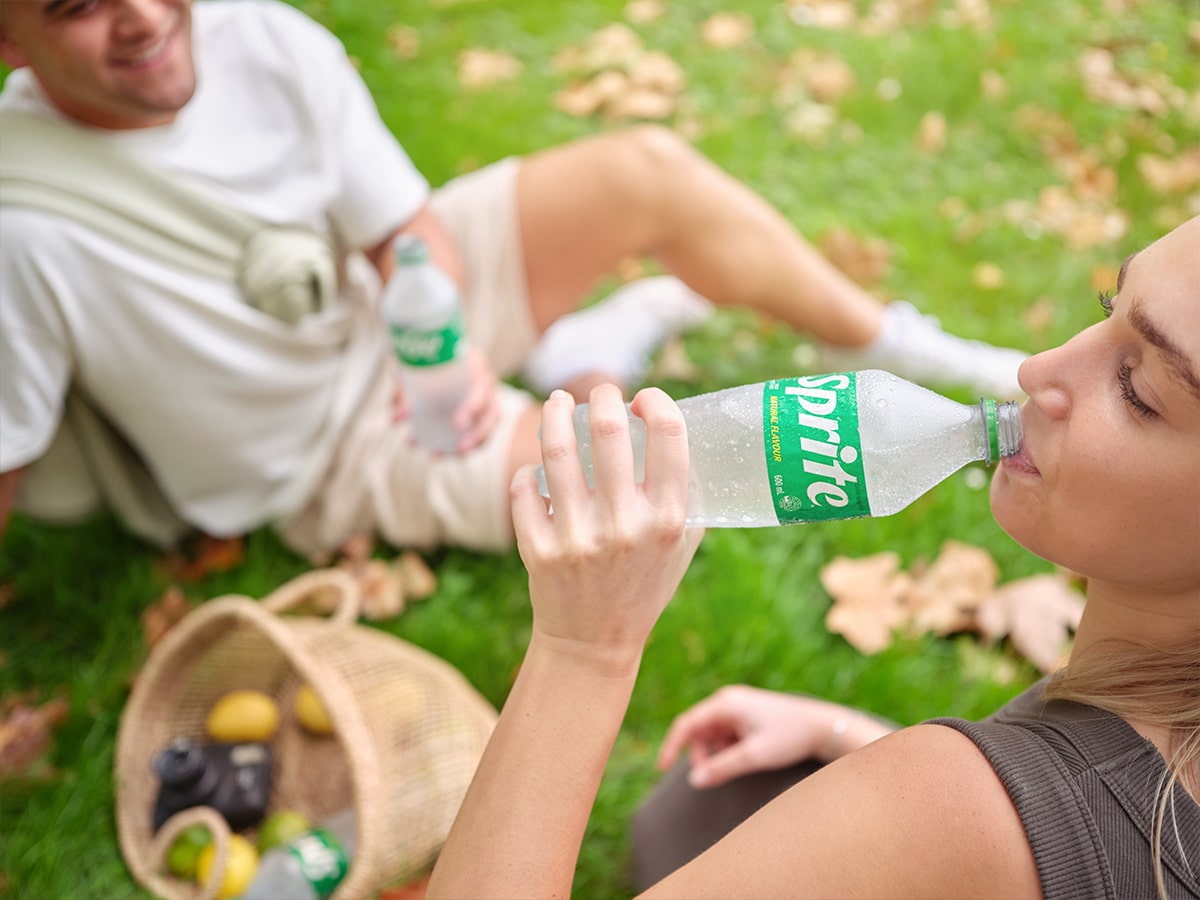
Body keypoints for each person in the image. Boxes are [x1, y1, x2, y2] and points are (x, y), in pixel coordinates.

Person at [0, 0, 1028, 558]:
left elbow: (403, 228)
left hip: (399, 324)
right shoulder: (19, 222)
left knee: (644, 171)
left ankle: (902, 346)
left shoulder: (257, 35)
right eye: (81, 6)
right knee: (632, 505)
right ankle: (580, 361)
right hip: (327, 451)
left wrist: (431, 344)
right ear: (10, 40)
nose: (141, 16)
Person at [425, 217, 1200, 898]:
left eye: (1137, 388)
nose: (1037, 369)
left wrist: (582, 651)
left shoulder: (949, 811)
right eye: (1107, 312)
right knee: (702, 810)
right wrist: (852, 739)